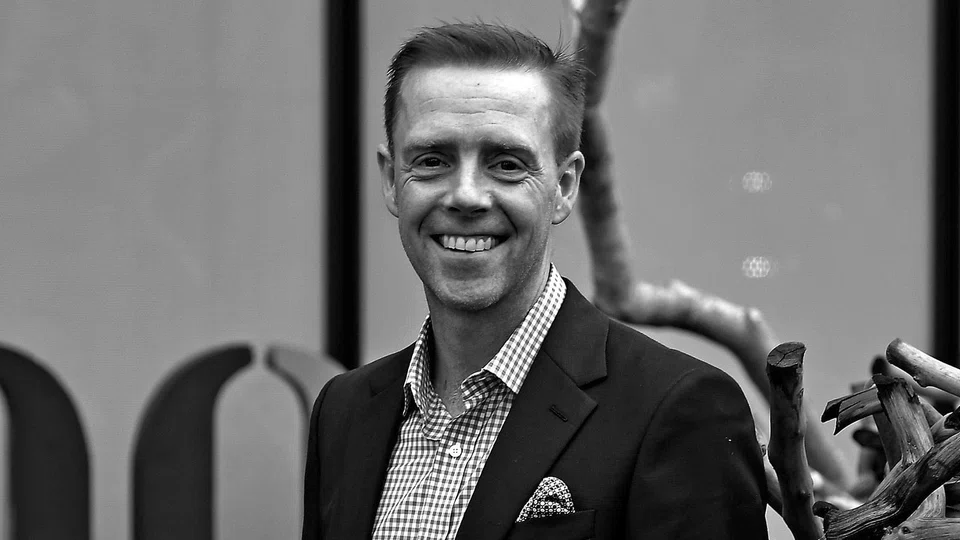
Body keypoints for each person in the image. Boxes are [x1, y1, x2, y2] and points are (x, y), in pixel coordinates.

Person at [302, 22, 768, 540]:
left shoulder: (678, 410)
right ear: (392, 180)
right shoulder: (343, 412)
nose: (467, 196)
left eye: (506, 164)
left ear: (564, 186)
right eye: (432, 161)